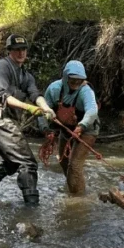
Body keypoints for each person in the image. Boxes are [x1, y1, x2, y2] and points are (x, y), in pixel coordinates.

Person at [0, 34, 55, 206]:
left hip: (4, 122)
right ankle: (32, 208)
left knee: (12, 163)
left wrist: (46, 108)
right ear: (10, 51)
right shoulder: (3, 66)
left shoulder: (27, 75)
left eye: (23, 49)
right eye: (16, 50)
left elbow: (35, 95)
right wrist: (29, 108)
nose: (21, 53)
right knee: (28, 163)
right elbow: (2, 95)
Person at [43, 60, 100, 196]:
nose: (76, 83)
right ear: (65, 77)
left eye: (79, 80)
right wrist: (46, 129)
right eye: (72, 80)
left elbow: (92, 111)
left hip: (87, 129)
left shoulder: (85, 91)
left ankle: (79, 199)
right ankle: (72, 186)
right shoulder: (54, 89)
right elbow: (42, 111)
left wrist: (81, 126)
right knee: (63, 161)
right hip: (66, 129)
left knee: (74, 166)